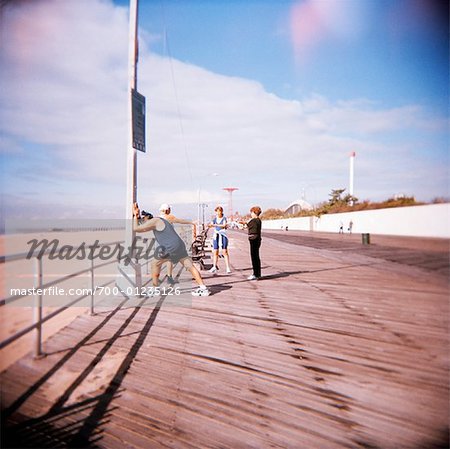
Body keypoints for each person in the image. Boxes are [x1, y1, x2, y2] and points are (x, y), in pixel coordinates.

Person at [133, 203, 210, 296]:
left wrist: (136, 215)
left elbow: (136, 229)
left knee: (154, 264)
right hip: (179, 245)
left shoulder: (154, 221)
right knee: (190, 266)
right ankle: (203, 288)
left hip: (170, 246)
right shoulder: (161, 221)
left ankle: (155, 289)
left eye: (143, 220)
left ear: (147, 219)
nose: (144, 223)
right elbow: (144, 229)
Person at [158, 203, 197, 284]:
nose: (170, 210)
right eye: (169, 209)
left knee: (160, 261)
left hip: (161, 241)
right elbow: (180, 221)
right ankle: (169, 277)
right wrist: (191, 223)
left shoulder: (158, 218)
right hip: (169, 243)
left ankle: (159, 277)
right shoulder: (169, 217)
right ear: (166, 210)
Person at [208, 206, 231, 274]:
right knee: (215, 251)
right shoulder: (215, 219)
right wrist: (213, 225)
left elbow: (224, 225)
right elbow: (211, 224)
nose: (218, 213)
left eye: (219, 211)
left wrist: (215, 225)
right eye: (217, 211)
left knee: (225, 251)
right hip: (216, 235)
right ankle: (214, 266)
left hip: (223, 235)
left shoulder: (224, 218)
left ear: (221, 212)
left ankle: (227, 267)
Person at [241, 206, 262, 280]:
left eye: (251, 212)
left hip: (254, 240)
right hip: (257, 239)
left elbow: (248, 225)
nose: (251, 214)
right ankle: (257, 273)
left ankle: (255, 274)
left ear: (254, 212)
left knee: (254, 257)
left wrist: (243, 223)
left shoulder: (254, 220)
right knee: (256, 257)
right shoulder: (258, 220)